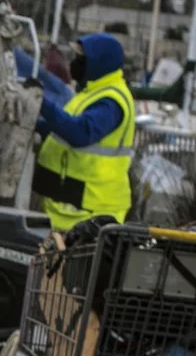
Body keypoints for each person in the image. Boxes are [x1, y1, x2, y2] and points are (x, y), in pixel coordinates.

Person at [22, 31, 137, 228]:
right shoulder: (90, 93)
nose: (75, 62)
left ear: (100, 63)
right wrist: (33, 123)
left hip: (92, 211)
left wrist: (41, 101)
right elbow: (61, 132)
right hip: (70, 208)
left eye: (82, 58)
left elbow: (80, 133)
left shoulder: (111, 101)